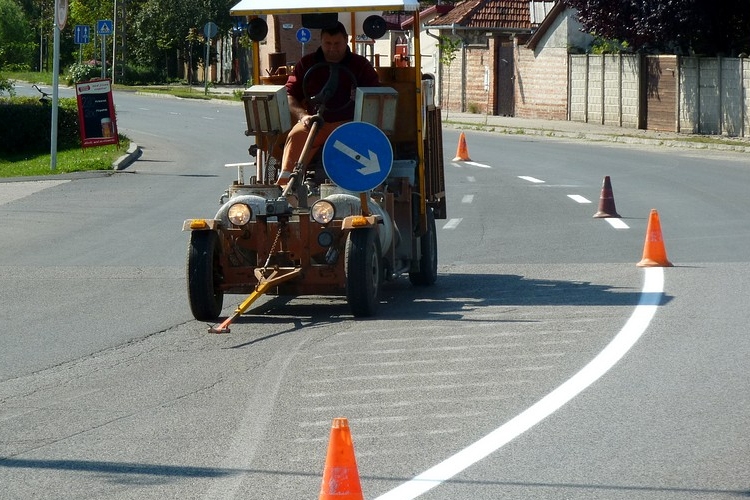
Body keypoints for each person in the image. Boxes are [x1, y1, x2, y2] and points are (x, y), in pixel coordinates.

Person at [277, 21, 379, 186]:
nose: (332, 48)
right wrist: (303, 116)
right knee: (296, 135)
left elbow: (374, 96)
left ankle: (360, 188)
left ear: (346, 40)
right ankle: (286, 188)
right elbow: (289, 95)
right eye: (328, 44)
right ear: (321, 41)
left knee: (363, 143)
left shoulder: (360, 66)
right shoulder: (306, 63)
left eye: (337, 43)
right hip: (315, 124)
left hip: (350, 124)